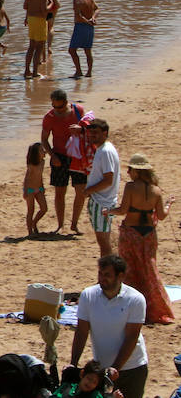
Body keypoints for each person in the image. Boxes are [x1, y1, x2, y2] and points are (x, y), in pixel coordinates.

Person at [69, 254, 148, 398]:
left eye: (107, 275)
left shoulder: (135, 300)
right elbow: (81, 332)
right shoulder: (88, 295)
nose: (102, 278)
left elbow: (131, 337)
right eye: (100, 273)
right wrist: (73, 364)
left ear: (121, 276)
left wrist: (115, 368)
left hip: (132, 368)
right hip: (101, 371)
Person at [109, 154, 175, 324]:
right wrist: (168, 204)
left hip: (131, 233)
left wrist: (109, 211)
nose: (128, 172)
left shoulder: (130, 187)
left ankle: (131, 308)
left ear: (137, 171)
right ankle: (157, 309)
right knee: (149, 271)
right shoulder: (156, 190)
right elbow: (161, 215)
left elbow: (123, 210)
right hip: (148, 234)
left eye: (130, 169)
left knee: (130, 269)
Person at [41, 90, 89, 235]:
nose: (57, 110)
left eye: (60, 107)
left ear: (66, 102)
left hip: (77, 156)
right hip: (59, 157)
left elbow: (90, 130)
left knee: (80, 191)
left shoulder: (78, 110)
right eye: (54, 107)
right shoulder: (49, 117)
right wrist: (52, 156)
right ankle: (60, 225)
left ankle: (74, 224)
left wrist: (82, 129)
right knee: (60, 192)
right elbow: (44, 139)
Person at [84, 119, 120, 256]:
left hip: (102, 201)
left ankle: (109, 272)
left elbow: (108, 180)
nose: (92, 136)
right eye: (90, 133)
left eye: (96, 133)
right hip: (103, 200)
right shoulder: (104, 149)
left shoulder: (105, 151)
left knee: (103, 242)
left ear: (105, 133)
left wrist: (88, 191)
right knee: (104, 240)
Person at [68, 0, 99, 79]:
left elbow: (78, 16)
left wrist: (87, 22)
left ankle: (78, 71)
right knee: (88, 50)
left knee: (72, 50)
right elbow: (97, 9)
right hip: (90, 27)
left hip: (81, 26)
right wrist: (93, 18)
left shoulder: (77, 0)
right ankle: (89, 72)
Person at [24, 143, 49, 237]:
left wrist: (42, 186)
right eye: (41, 150)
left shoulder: (42, 162)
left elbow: (40, 176)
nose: (44, 152)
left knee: (44, 208)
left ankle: (34, 223)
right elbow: (27, 178)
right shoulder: (31, 165)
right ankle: (30, 231)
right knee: (31, 210)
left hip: (39, 189)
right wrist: (25, 190)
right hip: (30, 190)